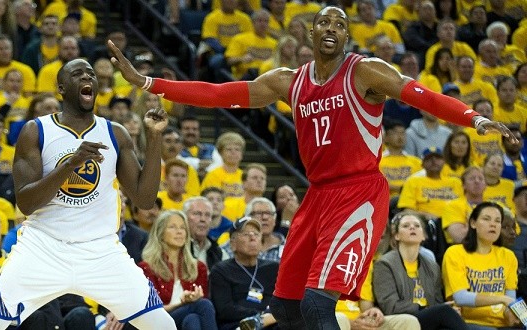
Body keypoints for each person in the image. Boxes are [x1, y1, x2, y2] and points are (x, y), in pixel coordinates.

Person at [108, 6, 516, 328]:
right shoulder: (289, 81)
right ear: (311, 32)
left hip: (359, 193)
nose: (331, 28)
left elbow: (422, 96)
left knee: (319, 305)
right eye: (323, 22)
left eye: (339, 23)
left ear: (346, 36)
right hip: (318, 194)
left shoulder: (365, 71)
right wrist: (149, 83)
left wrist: (473, 118)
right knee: (286, 309)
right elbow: (220, 93)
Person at [0, 58, 177, 329]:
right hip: (42, 248)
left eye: (90, 73)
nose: (86, 78)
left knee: (164, 325)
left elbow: (144, 199)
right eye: (77, 74)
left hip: (101, 251)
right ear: (61, 88)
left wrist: (154, 139)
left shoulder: (115, 133)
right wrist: (69, 165)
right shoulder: (36, 131)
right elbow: (26, 203)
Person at [373, 211, 468, 330]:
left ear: (423, 235)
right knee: (444, 312)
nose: (412, 227)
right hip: (400, 320)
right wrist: (425, 308)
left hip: (427, 319)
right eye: (406, 226)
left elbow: (437, 301)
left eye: (417, 226)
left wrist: (440, 309)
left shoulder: (432, 266)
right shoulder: (384, 264)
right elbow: (390, 306)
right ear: (396, 235)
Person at [442, 202, 521, 329]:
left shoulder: (508, 256)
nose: (493, 224)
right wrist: (502, 299)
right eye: (486, 219)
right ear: (473, 223)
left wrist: (517, 315)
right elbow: (461, 297)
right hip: (469, 323)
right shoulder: (455, 253)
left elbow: (510, 299)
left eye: (497, 221)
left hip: (502, 325)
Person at [138, 210, 217, 330]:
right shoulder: (146, 268)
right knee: (203, 305)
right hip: (157, 323)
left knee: (192, 320)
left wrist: (194, 298)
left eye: (182, 228)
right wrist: (181, 303)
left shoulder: (198, 267)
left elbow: (205, 310)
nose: (179, 232)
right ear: (160, 233)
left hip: (183, 322)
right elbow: (148, 312)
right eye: (172, 227)